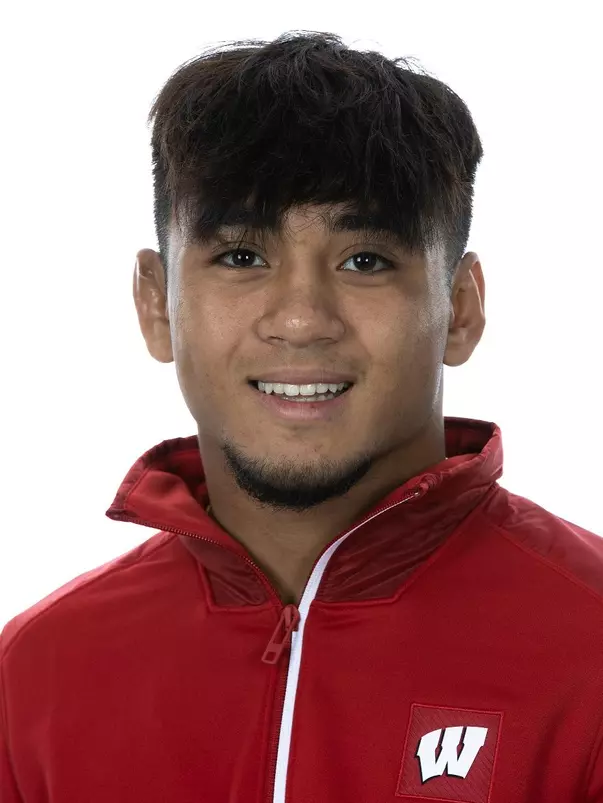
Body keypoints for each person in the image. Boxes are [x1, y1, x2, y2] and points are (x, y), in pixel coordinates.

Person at [1, 31, 602, 803]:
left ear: (459, 308)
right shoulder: (37, 672)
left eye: (364, 260)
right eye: (241, 257)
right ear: (156, 304)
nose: (300, 319)